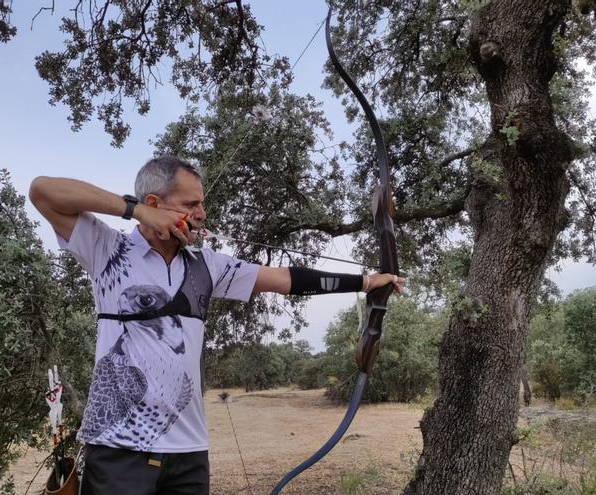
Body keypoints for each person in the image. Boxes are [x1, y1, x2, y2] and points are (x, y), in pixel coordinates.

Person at [29, 155, 404, 495]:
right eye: (192, 204)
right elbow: (43, 191)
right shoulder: (107, 250)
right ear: (155, 203)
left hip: (189, 452)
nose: (202, 214)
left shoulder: (207, 265)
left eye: (202, 204)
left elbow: (286, 279)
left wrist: (366, 282)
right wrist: (134, 211)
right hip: (118, 450)